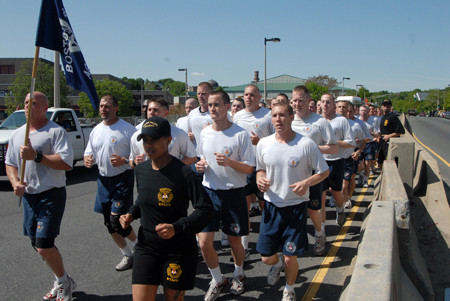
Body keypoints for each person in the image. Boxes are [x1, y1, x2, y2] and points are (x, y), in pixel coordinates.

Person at [119, 116, 214, 301]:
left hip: (177, 248)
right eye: (145, 140)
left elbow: (206, 209)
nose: (148, 145)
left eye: (153, 139)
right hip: (147, 246)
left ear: (169, 140)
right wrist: (131, 213)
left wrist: (176, 227)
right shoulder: (141, 170)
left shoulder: (184, 172)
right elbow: (144, 199)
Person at [5, 91, 76, 301]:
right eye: (26, 102)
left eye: (34, 103)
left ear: (45, 108)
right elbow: (10, 164)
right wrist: (15, 182)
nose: (28, 106)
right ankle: (61, 278)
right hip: (29, 196)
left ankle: (64, 283)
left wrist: (36, 156)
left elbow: (66, 162)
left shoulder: (55, 131)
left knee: (44, 244)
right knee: (36, 244)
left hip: (51, 194)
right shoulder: (17, 134)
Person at [256, 102, 329, 301]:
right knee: (266, 257)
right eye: (274, 116)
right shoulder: (264, 143)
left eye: (282, 115)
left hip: (295, 208)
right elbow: (260, 169)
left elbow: (324, 171)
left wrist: (306, 182)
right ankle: (276, 265)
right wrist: (259, 179)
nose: (278, 119)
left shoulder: (306, 144)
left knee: (290, 257)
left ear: (290, 117)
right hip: (271, 207)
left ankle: (289, 289)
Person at [195, 91, 255, 300]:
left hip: (233, 194)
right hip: (209, 193)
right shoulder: (205, 133)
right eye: (210, 105)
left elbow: (249, 169)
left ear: (227, 107)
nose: (212, 108)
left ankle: (239, 274)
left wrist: (230, 162)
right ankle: (218, 279)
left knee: (235, 242)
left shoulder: (240, 134)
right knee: (204, 242)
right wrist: (200, 165)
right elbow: (201, 157)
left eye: (217, 104)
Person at [84, 94, 138, 272]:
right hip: (103, 180)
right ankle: (127, 254)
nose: (103, 109)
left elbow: (138, 158)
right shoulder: (96, 130)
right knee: (108, 223)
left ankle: (141, 248)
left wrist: (123, 160)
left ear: (116, 108)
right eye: (101, 106)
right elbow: (88, 152)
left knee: (117, 221)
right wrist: (87, 159)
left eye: (107, 106)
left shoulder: (128, 130)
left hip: (122, 179)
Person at [290, 85, 338, 256]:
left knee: (313, 209)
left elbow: (333, 148)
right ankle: (292, 244)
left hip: (314, 174)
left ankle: (319, 234)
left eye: (301, 100)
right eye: (294, 100)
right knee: (293, 210)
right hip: (292, 173)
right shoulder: (288, 120)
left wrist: (314, 149)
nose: (297, 104)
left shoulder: (320, 122)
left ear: (309, 101)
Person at [233, 84, 274, 253]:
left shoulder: (268, 115)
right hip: (244, 166)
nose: (248, 98)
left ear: (259, 98)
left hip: (263, 166)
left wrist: (261, 142)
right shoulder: (237, 117)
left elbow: (277, 139)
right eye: (245, 95)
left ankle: (269, 240)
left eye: (252, 95)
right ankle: (244, 246)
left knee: (266, 205)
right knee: (244, 207)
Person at [320, 93, 356, 228]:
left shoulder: (341, 121)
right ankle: (321, 231)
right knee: (321, 197)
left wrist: (334, 144)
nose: (325, 105)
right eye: (323, 102)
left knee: (336, 192)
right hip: (321, 162)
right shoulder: (316, 120)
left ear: (333, 105)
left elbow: (351, 142)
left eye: (328, 102)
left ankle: (340, 209)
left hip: (337, 160)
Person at [129, 98, 197, 167]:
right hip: (146, 177)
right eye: (149, 110)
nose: (151, 113)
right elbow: (131, 161)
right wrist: (135, 162)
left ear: (166, 113)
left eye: (155, 110)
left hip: (171, 177)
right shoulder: (137, 135)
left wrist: (174, 166)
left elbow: (192, 157)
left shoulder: (178, 133)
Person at [336, 101, 366, 209]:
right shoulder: (331, 123)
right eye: (340, 107)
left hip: (349, 157)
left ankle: (346, 199)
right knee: (334, 185)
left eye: (349, 110)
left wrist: (358, 152)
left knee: (348, 179)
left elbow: (363, 141)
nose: (346, 112)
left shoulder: (356, 125)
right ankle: (337, 197)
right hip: (334, 158)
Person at [377, 99, 405, 169]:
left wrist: (388, 136)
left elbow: (400, 131)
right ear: (381, 107)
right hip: (382, 144)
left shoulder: (393, 117)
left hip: (390, 144)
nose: (386, 106)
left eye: (388, 105)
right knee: (380, 164)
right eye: (384, 105)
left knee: (389, 165)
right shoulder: (383, 117)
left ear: (390, 107)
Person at [358, 105, 380, 187]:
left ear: (368, 112)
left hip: (369, 143)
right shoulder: (357, 120)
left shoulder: (374, 120)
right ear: (359, 111)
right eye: (362, 110)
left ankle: (366, 180)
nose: (363, 112)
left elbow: (377, 133)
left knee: (367, 163)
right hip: (359, 144)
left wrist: (373, 134)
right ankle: (361, 174)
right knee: (359, 164)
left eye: (365, 110)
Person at [187, 82, 213, 150]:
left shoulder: (218, 114)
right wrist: (189, 135)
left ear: (211, 95)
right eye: (198, 94)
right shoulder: (192, 114)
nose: (200, 96)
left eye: (203, 94)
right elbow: (190, 132)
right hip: (196, 156)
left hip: (212, 155)